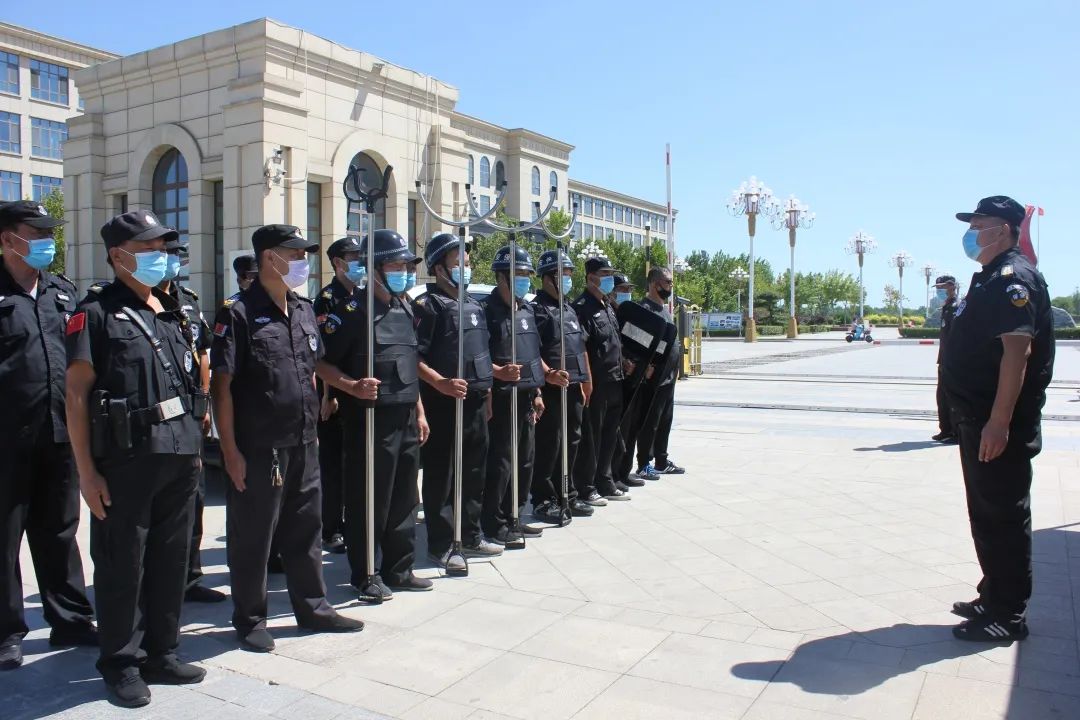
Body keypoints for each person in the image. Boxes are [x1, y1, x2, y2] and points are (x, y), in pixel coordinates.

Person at [66, 210, 207, 706]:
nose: (160, 257)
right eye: (148, 249)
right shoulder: (96, 313)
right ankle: (121, 662)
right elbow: (76, 395)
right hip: (126, 462)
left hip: (179, 455)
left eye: (162, 248)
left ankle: (162, 652)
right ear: (118, 256)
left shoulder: (171, 310)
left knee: (171, 561)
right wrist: (86, 473)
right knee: (122, 566)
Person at [210, 224, 364, 654]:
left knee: (305, 530)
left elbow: (316, 366)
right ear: (269, 258)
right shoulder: (238, 313)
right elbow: (222, 386)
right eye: (294, 254)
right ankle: (250, 619)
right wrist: (229, 450)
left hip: (304, 441)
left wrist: (347, 386)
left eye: (304, 255)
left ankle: (313, 608)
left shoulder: (302, 309)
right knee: (253, 537)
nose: (302, 262)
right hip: (260, 448)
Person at [942, 196, 1054, 642]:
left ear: (1004, 229)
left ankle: (1008, 615)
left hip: (997, 423)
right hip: (976, 417)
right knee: (986, 513)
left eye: (979, 225)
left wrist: (999, 421)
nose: (972, 233)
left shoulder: (1014, 278)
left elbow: (1017, 353)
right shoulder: (989, 277)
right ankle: (992, 596)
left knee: (1004, 515)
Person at [0, 201, 97, 673]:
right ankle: (6, 632)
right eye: (35, 232)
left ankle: (70, 619)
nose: (46, 240)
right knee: (5, 537)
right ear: (7, 239)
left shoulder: (62, 292)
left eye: (48, 232)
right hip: (7, 439)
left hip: (59, 433)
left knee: (60, 529)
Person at [317, 229, 433, 601]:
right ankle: (367, 573)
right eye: (397, 265)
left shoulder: (405, 308)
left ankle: (399, 568)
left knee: (404, 498)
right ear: (376, 268)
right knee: (370, 499)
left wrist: (420, 411)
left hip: (406, 415)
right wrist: (351, 387)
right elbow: (320, 363)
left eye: (407, 266)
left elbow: (409, 364)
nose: (405, 272)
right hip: (370, 421)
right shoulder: (352, 312)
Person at [413, 233, 502, 570]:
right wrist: (440, 382)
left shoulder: (473, 305)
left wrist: (488, 391)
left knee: (475, 472)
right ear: (438, 269)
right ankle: (442, 544)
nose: (466, 266)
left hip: (476, 401)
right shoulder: (429, 306)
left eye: (467, 261)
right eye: (458, 262)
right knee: (443, 475)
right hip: (444, 403)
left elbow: (482, 352)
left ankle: (471, 535)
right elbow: (414, 357)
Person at [156, 239, 227, 604]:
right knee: (157, 506)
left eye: (176, 255)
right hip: (154, 422)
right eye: (166, 253)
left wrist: (204, 402)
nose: (172, 261)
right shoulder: (133, 303)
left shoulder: (188, 301)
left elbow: (203, 353)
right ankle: (154, 583)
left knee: (193, 499)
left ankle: (189, 578)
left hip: (190, 416)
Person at [480, 245, 559, 546]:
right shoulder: (487, 312)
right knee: (501, 463)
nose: (525, 280)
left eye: (527, 274)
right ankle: (494, 523)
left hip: (526, 398)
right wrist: (497, 373)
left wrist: (539, 389)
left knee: (524, 462)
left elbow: (532, 354)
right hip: (500, 399)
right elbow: (476, 355)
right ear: (501, 277)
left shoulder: (526, 309)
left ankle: (515, 516)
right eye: (519, 274)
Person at [531, 249, 593, 522]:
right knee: (550, 444)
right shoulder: (537, 310)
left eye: (569, 274)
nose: (567, 279)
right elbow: (530, 350)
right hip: (551, 389)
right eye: (562, 274)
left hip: (574, 386)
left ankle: (567, 493)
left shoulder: (569, 309)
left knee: (572, 441)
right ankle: (544, 499)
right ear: (547, 278)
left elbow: (581, 347)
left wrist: (586, 379)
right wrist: (548, 374)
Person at [314, 237, 366, 555]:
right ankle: (331, 528)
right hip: (334, 395)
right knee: (333, 466)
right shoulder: (326, 299)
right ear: (337, 262)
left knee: (355, 465)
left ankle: (352, 523)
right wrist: (328, 395)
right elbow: (323, 355)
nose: (359, 261)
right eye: (353, 256)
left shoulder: (362, 295)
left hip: (359, 392)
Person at [571, 256, 627, 507]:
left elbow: (613, 341)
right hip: (597, 383)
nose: (609, 279)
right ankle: (586, 486)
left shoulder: (607, 305)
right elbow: (581, 347)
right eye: (604, 274)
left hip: (615, 378)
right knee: (591, 438)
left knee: (610, 434)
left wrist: (624, 361)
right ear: (590, 277)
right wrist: (587, 381)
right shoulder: (582, 307)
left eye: (610, 274)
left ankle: (605, 480)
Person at [932, 274, 959, 444]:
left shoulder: (956, 307)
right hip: (944, 359)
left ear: (951, 286)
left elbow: (957, 336)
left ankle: (955, 432)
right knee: (942, 397)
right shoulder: (947, 306)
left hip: (953, 361)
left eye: (941, 288)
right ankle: (946, 429)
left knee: (952, 397)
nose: (939, 291)